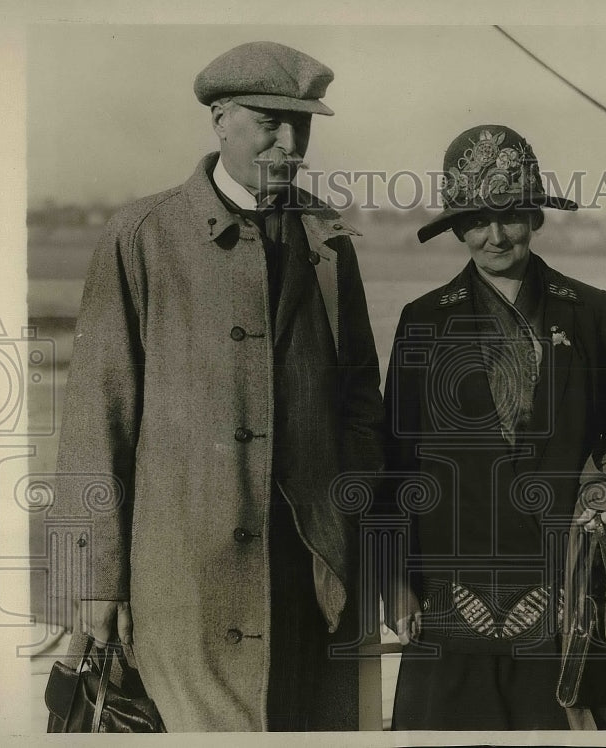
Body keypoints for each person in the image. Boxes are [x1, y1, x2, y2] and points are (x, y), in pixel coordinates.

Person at [52, 41, 385, 731]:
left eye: (304, 125)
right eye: (270, 120)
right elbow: (95, 420)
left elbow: (360, 400)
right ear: (221, 119)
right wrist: (93, 583)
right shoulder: (141, 238)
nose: (290, 143)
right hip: (178, 587)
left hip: (311, 583)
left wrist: (346, 521)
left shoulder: (328, 240)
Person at [380, 124, 606, 730]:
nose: (495, 236)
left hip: (566, 580)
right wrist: (394, 582)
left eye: (510, 216)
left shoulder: (590, 310)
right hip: (451, 587)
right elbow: (395, 463)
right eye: (476, 221)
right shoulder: (422, 319)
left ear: (534, 216)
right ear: (457, 228)